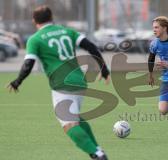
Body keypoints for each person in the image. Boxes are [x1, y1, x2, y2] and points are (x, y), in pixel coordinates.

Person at [7, 5, 109, 160]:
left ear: (34, 20)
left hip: (62, 85)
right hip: (79, 82)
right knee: (75, 119)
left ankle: (97, 154)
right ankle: (97, 149)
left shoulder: (35, 39)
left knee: (69, 125)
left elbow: (28, 64)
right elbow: (91, 47)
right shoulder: (68, 31)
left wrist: (17, 81)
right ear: (51, 18)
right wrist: (104, 70)